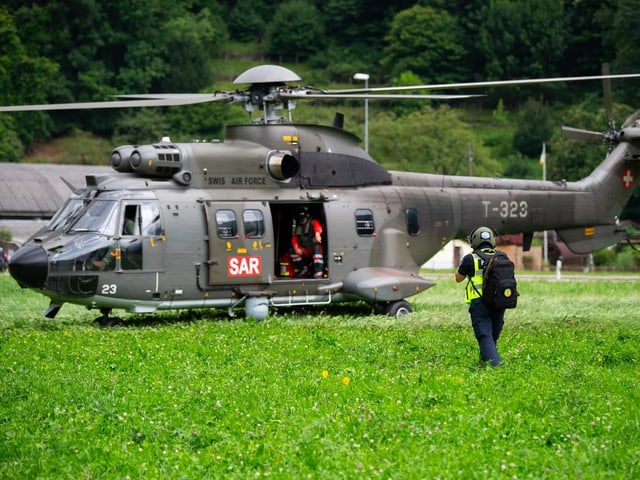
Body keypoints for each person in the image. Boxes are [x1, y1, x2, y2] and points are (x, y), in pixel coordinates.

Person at [455, 226, 505, 367]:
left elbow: (458, 278)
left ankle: (496, 367)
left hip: (480, 303)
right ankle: (483, 363)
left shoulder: (470, 259)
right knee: (492, 335)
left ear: (474, 241)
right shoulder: (501, 256)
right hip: (499, 302)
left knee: (484, 335)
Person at [290, 207, 324, 278]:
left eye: (303, 217)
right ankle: (304, 268)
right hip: (304, 249)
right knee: (292, 251)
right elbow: (294, 238)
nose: (302, 219)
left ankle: (319, 270)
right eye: (300, 217)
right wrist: (296, 248)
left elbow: (318, 228)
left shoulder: (313, 222)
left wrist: (317, 234)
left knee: (317, 248)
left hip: (313, 248)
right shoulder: (298, 226)